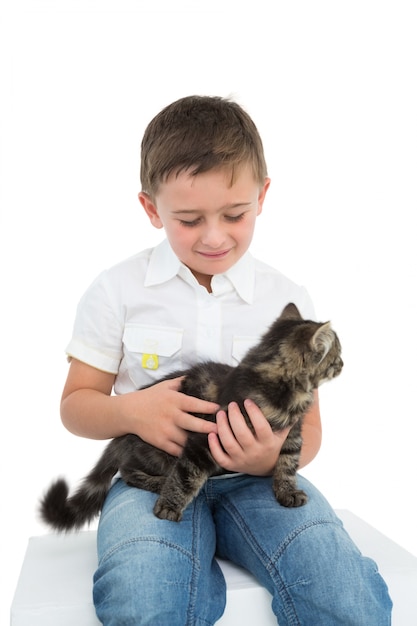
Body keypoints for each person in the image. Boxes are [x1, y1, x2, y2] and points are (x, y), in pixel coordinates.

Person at [61, 95, 392, 625]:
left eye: (234, 214)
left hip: (257, 483)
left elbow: (310, 424)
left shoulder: (287, 297)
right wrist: (132, 413)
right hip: (154, 478)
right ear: (151, 209)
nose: (214, 236)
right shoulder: (117, 289)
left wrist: (269, 460)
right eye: (189, 219)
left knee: (344, 592)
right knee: (143, 595)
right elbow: (76, 405)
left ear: (262, 197)